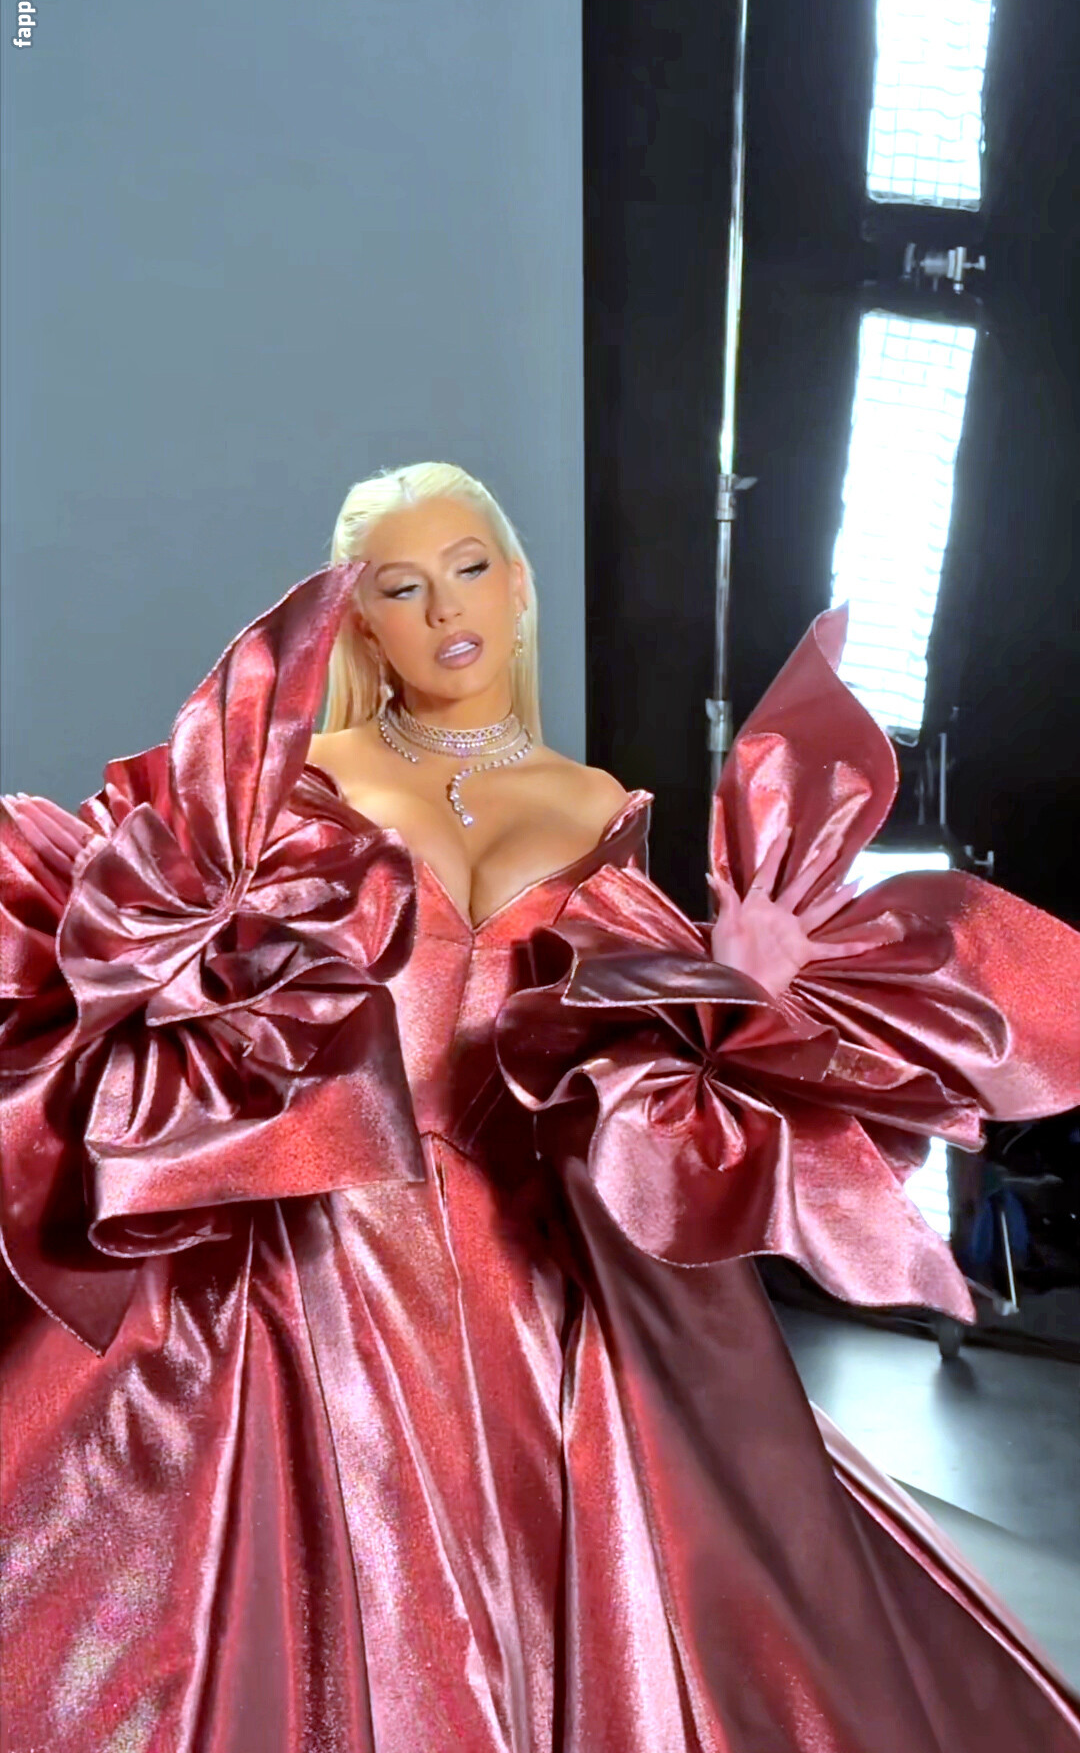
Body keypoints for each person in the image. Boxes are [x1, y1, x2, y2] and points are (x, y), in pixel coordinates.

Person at [2, 458, 1079, 1753]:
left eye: (468, 568)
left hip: (544, 1256)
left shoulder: (596, 805)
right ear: (361, 624)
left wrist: (738, 981)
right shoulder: (297, 783)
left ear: (517, 588)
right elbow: (138, 939)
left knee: (629, 1574)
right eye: (401, 587)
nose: (444, 607)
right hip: (327, 1248)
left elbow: (630, 1059)